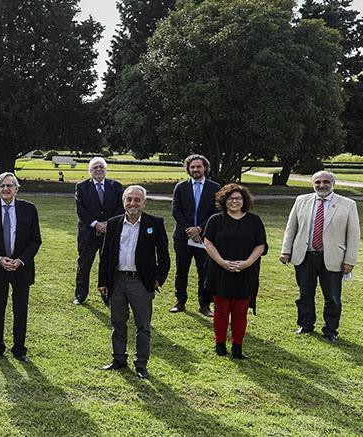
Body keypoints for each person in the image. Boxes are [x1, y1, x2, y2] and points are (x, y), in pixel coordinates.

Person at [98, 185, 169, 380]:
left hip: (141, 282)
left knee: (143, 326)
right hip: (117, 281)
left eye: (137, 200)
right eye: (129, 199)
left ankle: (141, 364)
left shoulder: (154, 223)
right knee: (117, 322)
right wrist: (102, 281)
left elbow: (164, 256)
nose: (133, 203)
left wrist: (157, 280)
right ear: (123, 202)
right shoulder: (113, 224)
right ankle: (119, 359)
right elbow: (105, 255)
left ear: (144, 203)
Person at [280, 171, 360, 343]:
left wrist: (349, 260)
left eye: (326, 182)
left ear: (333, 184)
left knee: (332, 297)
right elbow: (291, 227)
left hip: (333, 258)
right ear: (313, 184)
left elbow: (353, 235)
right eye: (317, 182)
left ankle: (330, 330)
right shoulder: (301, 201)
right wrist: (286, 250)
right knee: (305, 294)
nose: (321, 185)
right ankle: (305, 325)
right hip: (304, 256)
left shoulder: (348, 204)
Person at [0, 172, 41, 363]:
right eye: (2, 186)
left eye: (10, 186)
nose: (6, 189)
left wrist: (20, 260)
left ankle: (19, 349)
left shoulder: (29, 209)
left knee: (21, 310)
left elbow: (35, 240)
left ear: (16, 189)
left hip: (22, 268)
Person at [202, 184, 267, 359]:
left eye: (238, 198)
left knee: (240, 311)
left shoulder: (254, 221)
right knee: (221, 310)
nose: (234, 201)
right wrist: (222, 262)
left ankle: (237, 347)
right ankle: (220, 345)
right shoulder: (215, 220)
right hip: (220, 271)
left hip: (245, 272)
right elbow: (208, 243)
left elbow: (260, 245)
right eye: (231, 198)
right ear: (224, 200)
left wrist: (247, 263)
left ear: (244, 200)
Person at [170, 154, 221, 316]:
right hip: (183, 237)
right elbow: (176, 211)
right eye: (192, 167)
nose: (195, 169)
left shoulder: (215, 188)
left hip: (205, 237)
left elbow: (217, 212)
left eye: (198, 166)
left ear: (205, 168)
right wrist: (190, 230)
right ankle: (180, 302)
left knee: (204, 272)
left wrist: (200, 229)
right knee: (181, 270)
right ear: (188, 169)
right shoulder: (180, 187)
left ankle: (204, 304)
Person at [73, 157, 124, 305]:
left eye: (101, 167)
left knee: (107, 264)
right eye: (95, 167)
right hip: (88, 233)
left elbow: (121, 208)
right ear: (90, 171)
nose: (98, 170)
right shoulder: (81, 187)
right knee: (84, 264)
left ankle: (107, 295)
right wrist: (96, 224)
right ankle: (80, 295)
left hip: (109, 233)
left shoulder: (116, 186)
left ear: (105, 170)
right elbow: (80, 209)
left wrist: (108, 224)